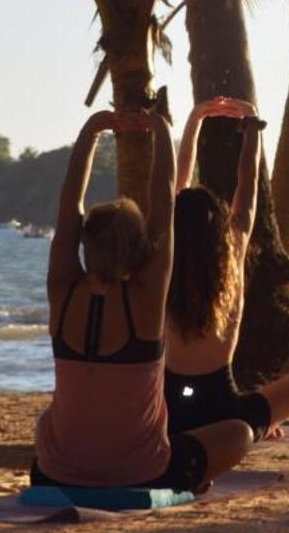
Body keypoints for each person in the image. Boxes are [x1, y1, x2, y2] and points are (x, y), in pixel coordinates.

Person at [32, 106, 252, 491]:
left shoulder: (62, 292)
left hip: (52, 472)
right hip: (142, 475)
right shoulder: (147, 301)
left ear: (86, 242)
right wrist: (160, 129)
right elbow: (165, 197)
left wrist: (91, 131)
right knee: (239, 434)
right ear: (138, 250)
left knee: (47, 420)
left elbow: (69, 203)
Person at [163, 96, 289, 439]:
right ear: (218, 228)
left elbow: (173, 185)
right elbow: (247, 184)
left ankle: (255, 425)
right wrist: (251, 126)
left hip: (167, 410)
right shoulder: (232, 259)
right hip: (222, 411)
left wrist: (194, 120)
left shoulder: (163, 262)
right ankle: (259, 425)